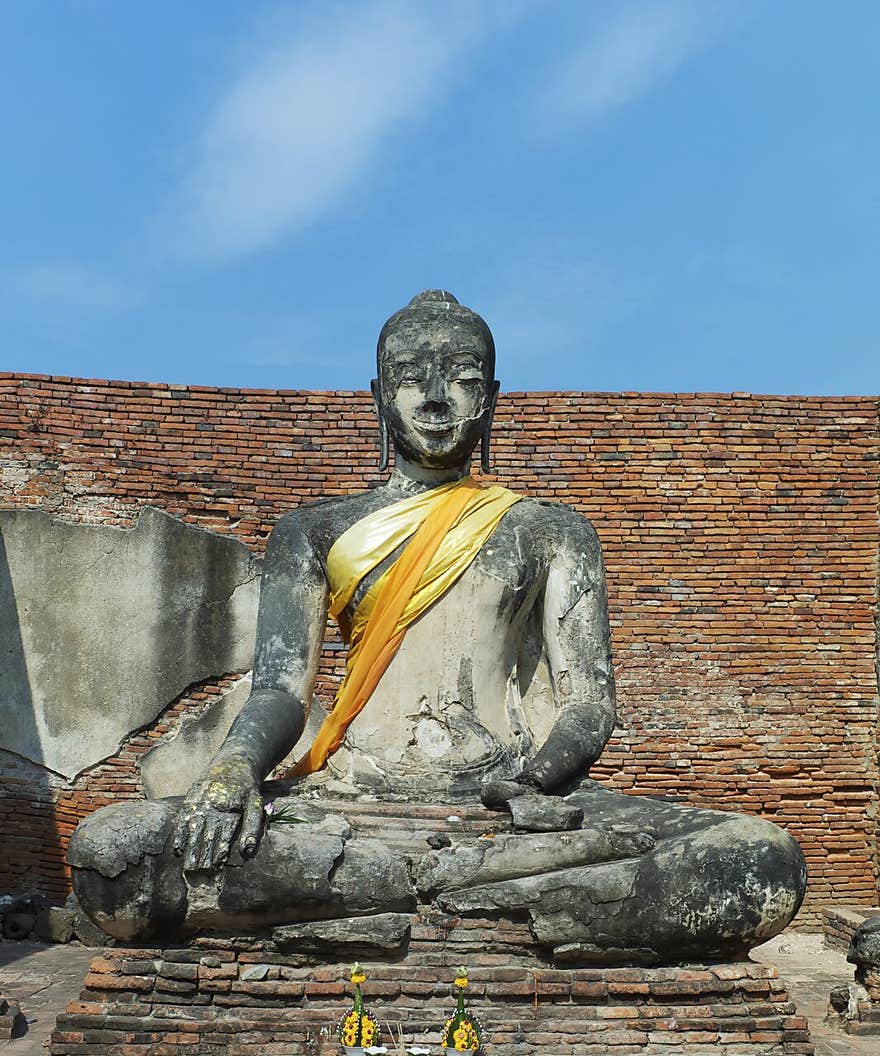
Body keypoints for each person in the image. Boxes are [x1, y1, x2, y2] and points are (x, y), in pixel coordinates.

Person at [68, 291, 806, 961]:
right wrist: (232, 772)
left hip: (510, 806)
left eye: (461, 375)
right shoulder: (314, 531)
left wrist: (533, 783)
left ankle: (387, 899)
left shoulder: (549, 531)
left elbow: (589, 703)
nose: (433, 397)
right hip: (350, 803)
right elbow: (280, 693)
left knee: (760, 860)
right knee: (113, 852)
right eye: (409, 375)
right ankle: (472, 901)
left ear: (492, 398)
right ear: (378, 396)